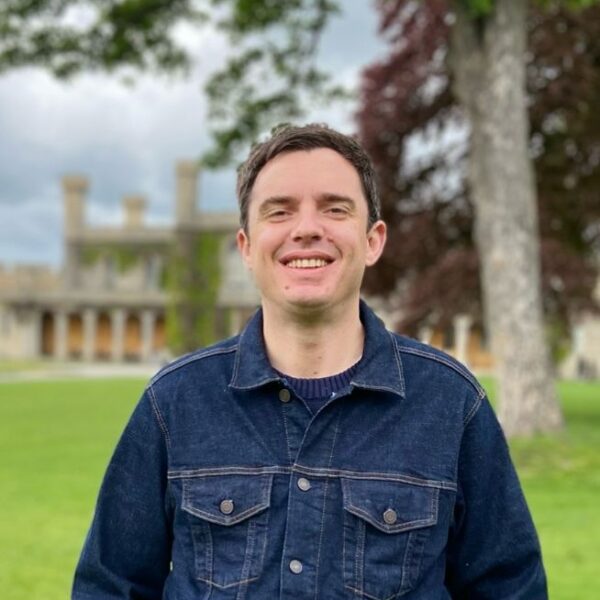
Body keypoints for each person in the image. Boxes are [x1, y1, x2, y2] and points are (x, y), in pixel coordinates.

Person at [72, 123, 547, 599]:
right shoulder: (175, 401)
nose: (306, 229)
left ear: (373, 241)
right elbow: (110, 586)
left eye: (335, 209)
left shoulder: (450, 403)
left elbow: (510, 588)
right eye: (279, 211)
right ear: (246, 247)